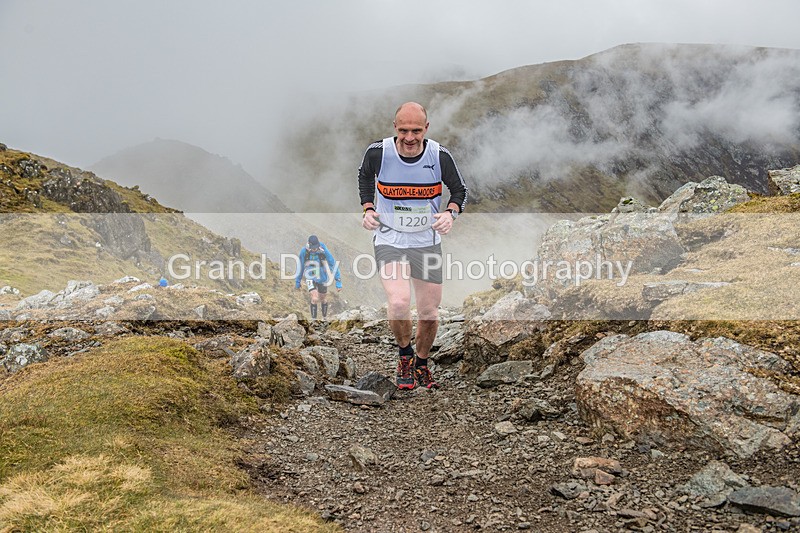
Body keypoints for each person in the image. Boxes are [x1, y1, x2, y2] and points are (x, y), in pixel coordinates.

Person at [358, 102, 468, 390]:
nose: (409, 138)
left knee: (430, 312)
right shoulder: (378, 152)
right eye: (404, 130)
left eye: (416, 131)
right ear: (395, 127)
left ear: (426, 129)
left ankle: (421, 362)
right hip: (390, 238)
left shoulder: (439, 156)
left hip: (426, 242)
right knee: (398, 302)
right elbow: (364, 176)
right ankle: (404, 355)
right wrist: (368, 208)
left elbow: (460, 191)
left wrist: (450, 214)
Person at [294, 235, 342, 319]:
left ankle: (324, 318)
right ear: (308, 244)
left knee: (323, 298)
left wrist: (338, 281)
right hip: (310, 277)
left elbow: (332, 263)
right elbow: (300, 266)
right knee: (315, 298)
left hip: (322, 277)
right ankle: (314, 321)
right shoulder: (304, 252)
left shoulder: (323, 249)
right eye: (313, 248)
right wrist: (298, 281)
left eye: (316, 247)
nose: (315, 249)